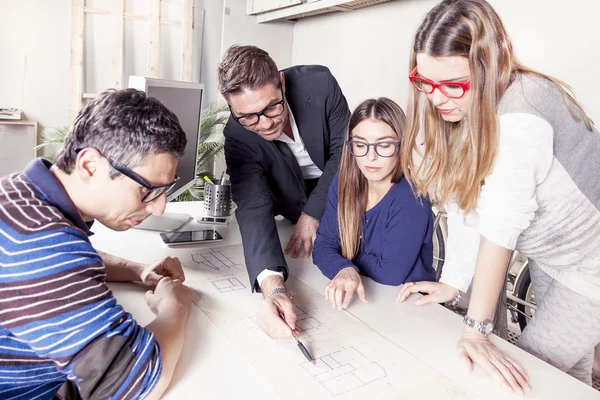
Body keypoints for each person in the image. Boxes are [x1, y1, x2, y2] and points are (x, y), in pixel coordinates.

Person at [396, 0, 600, 394]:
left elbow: (500, 224)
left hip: (592, 264)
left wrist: (475, 330)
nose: (437, 100)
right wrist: (455, 282)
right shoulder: (465, 111)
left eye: (453, 85)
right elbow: (466, 204)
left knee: (531, 369)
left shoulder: (522, 113)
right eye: (425, 82)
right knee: (565, 375)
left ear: (490, 65)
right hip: (552, 256)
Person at [0, 89, 194, 400]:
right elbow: (137, 381)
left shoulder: (20, 195)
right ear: (90, 166)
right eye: (149, 190)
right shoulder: (43, 246)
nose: (159, 207)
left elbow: (64, 262)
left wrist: (138, 270)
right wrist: (174, 306)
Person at [218, 45, 351, 338]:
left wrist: (312, 214)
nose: (264, 124)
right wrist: (273, 287)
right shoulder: (237, 134)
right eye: (249, 117)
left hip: (343, 193)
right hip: (292, 203)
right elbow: (252, 206)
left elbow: (344, 156)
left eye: (271, 107)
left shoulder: (320, 84)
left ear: (282, 81)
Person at [312, 98, 436, 310]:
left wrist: (345, 259)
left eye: (384, 145)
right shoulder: (343, 182)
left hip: (409, 306)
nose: (370, 157)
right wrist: (344, 268)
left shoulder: (411, 198)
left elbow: (390, 273)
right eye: (360, 145)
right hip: (368, 298)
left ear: (402, 145)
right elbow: (322, 245)